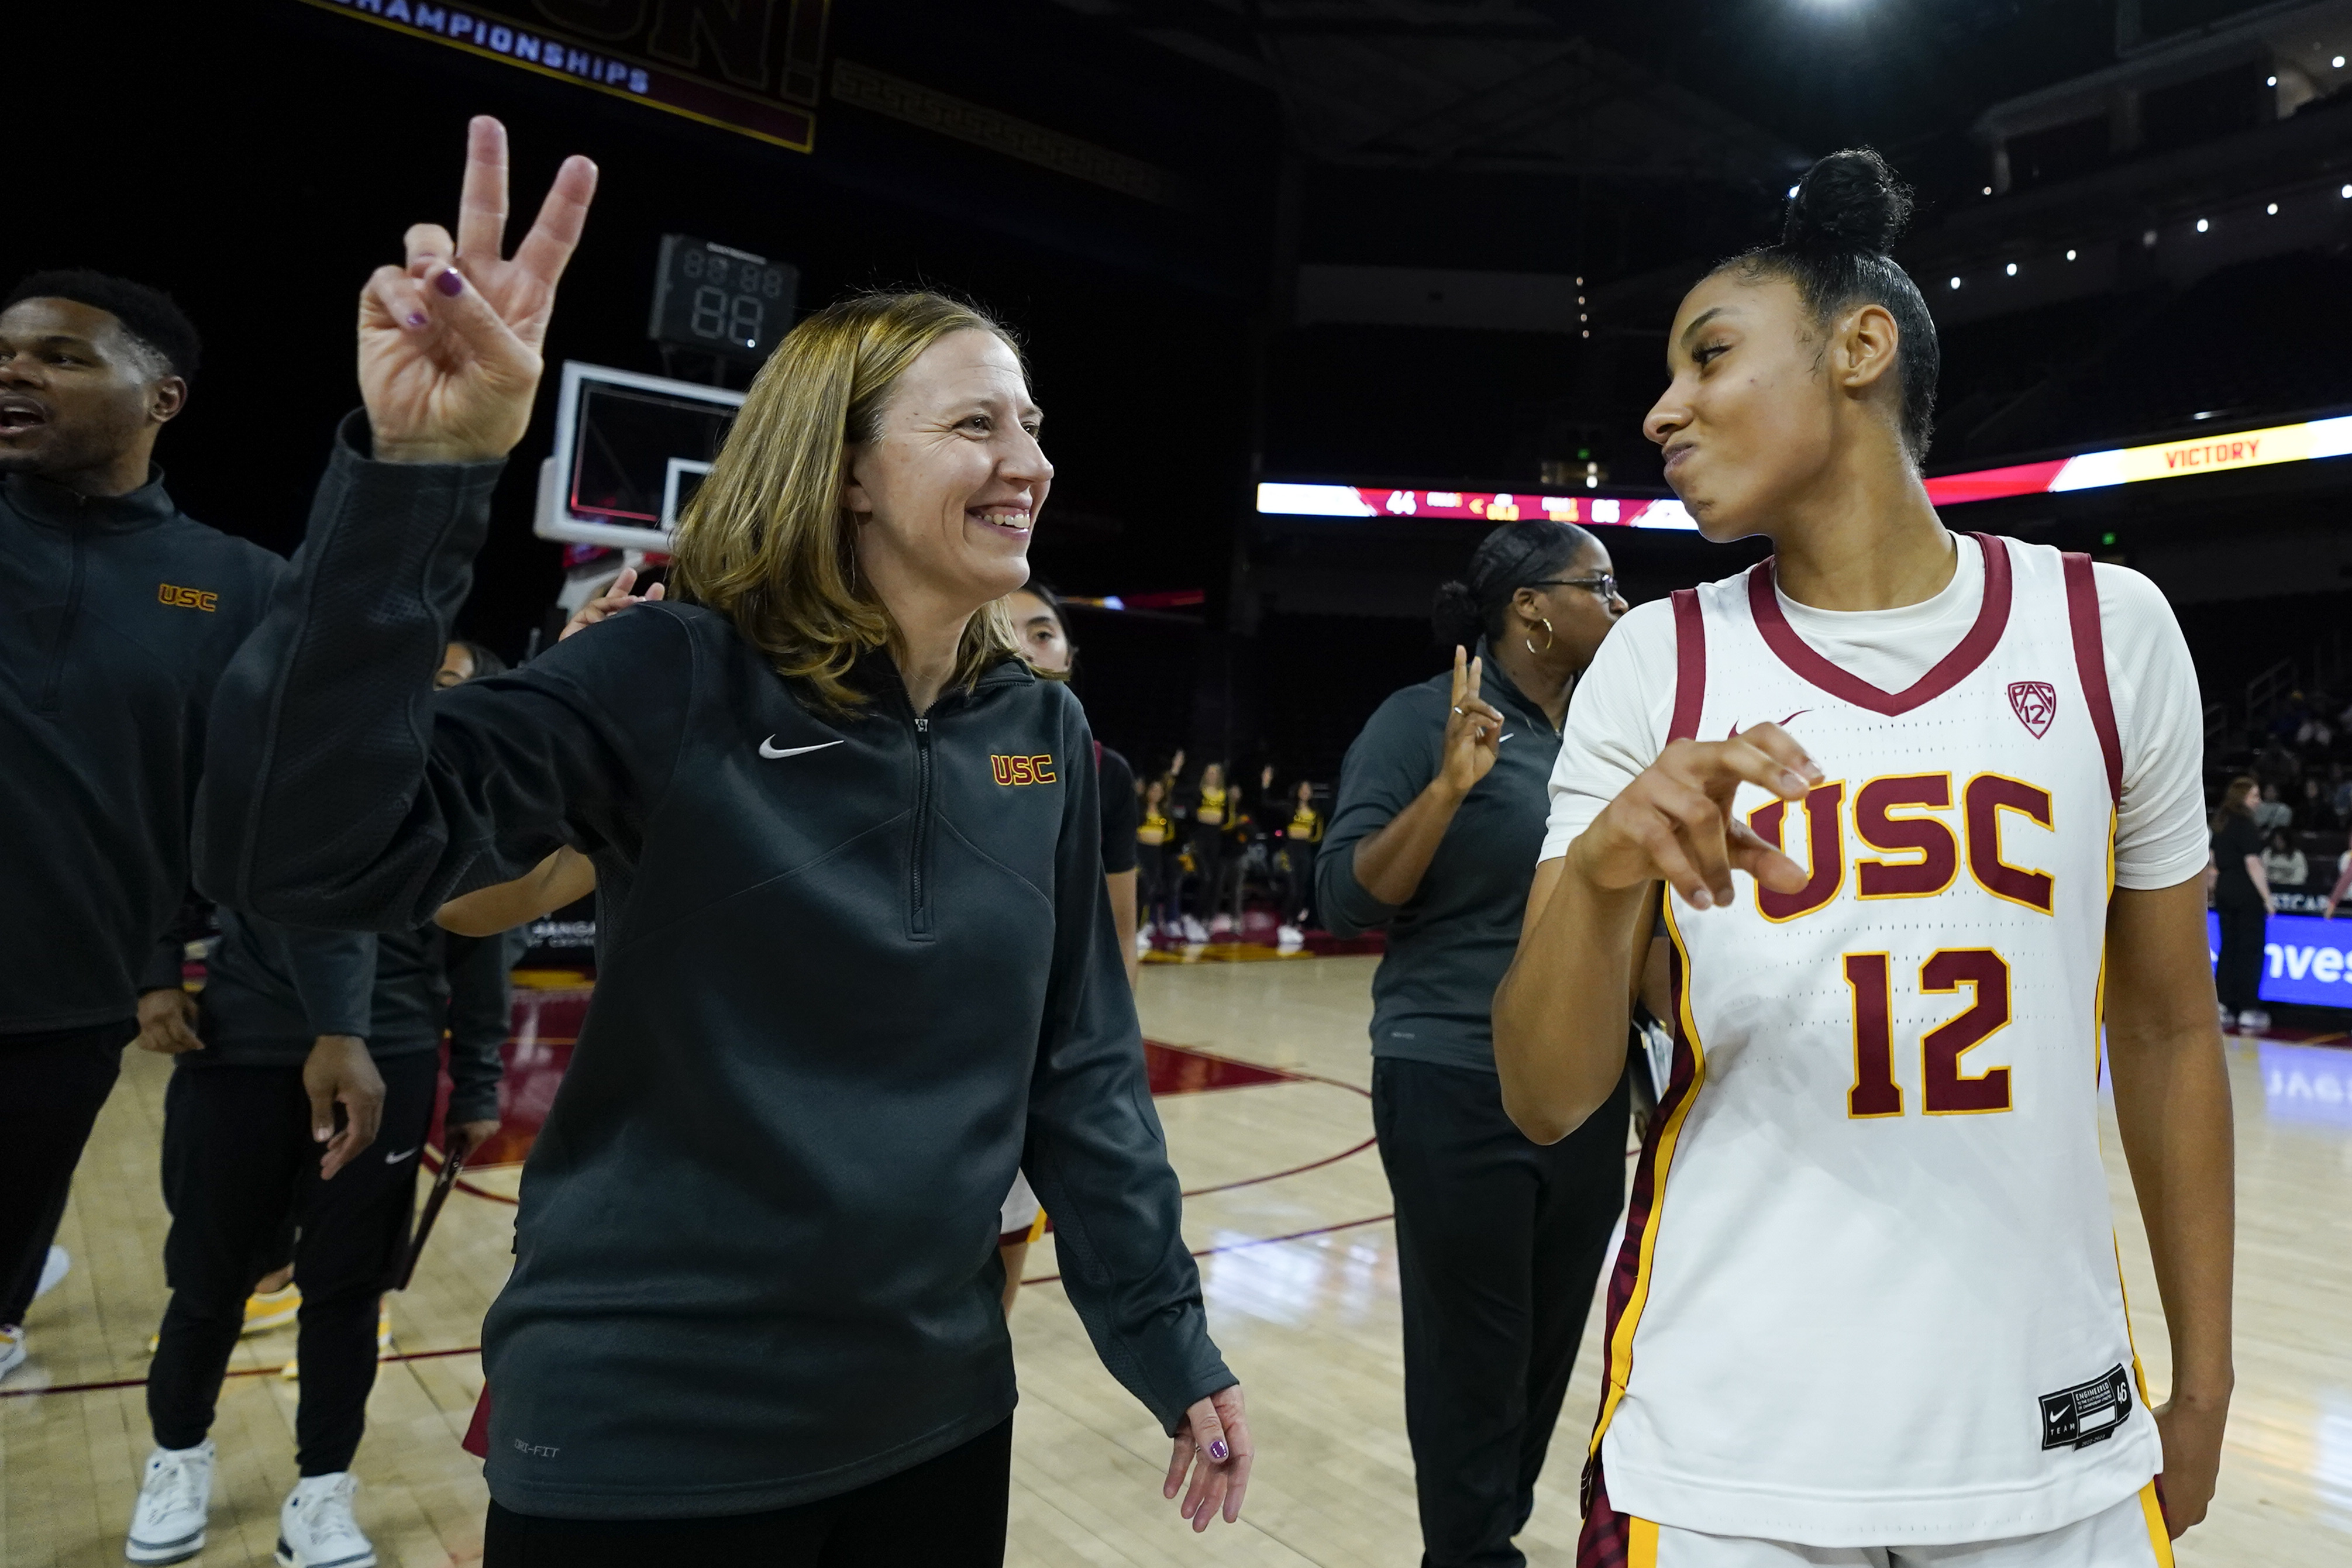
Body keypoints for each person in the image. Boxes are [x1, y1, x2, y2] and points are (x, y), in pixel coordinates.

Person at [191, 119, 1248, 1560]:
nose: (1030, 462)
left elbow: (1080, 1068)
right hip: (645, 1434)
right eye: (975, 425)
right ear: (850, 472)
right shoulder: (671, 673)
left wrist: (1167, 1342)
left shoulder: (1044, 738)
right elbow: (302, 853)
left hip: (933, 1417)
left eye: (1033, 424)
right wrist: (418, 481)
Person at [1493, 149, 2231, 1564]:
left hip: (2044, 1424)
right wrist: (1597, 875)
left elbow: (2163, 1022)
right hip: (1727, 1441)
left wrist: (2200, 1381)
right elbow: (1540, 1097)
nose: (1661, 410)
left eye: (1707, 357)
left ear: (1860, 346)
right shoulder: (1655, 662)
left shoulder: (2104, 629)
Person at [0, 270, 324, 1384]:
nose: (14, 370)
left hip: (65, 1010)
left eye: (60, 354)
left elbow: (270, 805)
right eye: (7, 351)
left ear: (163, 398)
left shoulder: (239, 586)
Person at [1316, 515, 1630, 1568]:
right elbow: (1345, 896)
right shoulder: (1421, 721)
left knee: (1545, 1346)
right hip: (1451, 1070)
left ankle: (1482, 1537)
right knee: (1473, 1352)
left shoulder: (1613, 728)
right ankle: (1470, 1553)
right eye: (1602, 585)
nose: (1620, 605)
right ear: (1532, 608)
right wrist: (1449, 787)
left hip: (1585, 1079)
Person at [1007, 581, 1142, 987]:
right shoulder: (934, 755)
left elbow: (1121, 930)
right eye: (997, 633)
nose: (1023, 650)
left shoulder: (1109, 773)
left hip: (1063, 1005)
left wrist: (1118, 1040)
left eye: (1042, 634)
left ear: (1070, 655)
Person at [2210, 775, 2272, 1033]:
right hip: (2246, 892)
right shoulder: (2246, 823)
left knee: (2228, 949)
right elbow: (2253, 864)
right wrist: (2268, 899)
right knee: (2250, 950)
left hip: (2225, 889)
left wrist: (2213, 891)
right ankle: (2248, 1009)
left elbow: (2212, 861)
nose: (2259, 801)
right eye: (2255, 796)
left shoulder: (2220, 823)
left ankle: (2223, 1005)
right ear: (2243, 798)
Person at [1182, 760, 1235, 940]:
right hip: (1200, 838)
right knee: (1205, 877)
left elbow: (1226, 819)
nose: (1212, 776)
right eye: (1209, 772)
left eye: (1215, 773)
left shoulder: (1225, 796)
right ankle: (1193, 917)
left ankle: (1205, 918)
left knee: (1214, 881)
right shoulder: (1198, 793)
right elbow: (1193, 815)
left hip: (1216, 840)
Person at [1276, 778, 1325, 939]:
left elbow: (1317, 836)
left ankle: (1294, 922)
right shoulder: (1289, 807)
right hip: (1290, 851)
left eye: (1308, 789)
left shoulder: (1315, 813)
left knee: (1301, 891)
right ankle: (1286, 922)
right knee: (1292, 889)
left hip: (1304, 852)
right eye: (1302, 789)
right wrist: (1266, 786)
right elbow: (1267, 804)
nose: (1305, 792)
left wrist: (1306, 834)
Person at [1136, 775, 1178, 937]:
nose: (1156, 793)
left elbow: (1170, 834)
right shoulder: (1139, 808)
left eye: (1159, 791)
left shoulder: (1164, 812)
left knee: (1153, 887)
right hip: (1141, 852)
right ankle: (1140, 925)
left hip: (1157, 853)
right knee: (1143, 888)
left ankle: (1152, 921)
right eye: (1153, 789)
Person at [2262, 828, 2307, 894]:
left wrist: (2287, 886)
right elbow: (2262, 872)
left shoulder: (2297, 855)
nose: (2278, 843)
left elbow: (2300, 876)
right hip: (2270, 889)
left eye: (2280, 840)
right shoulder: (2267, 853)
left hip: (2290, 890)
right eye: (2275, 840)